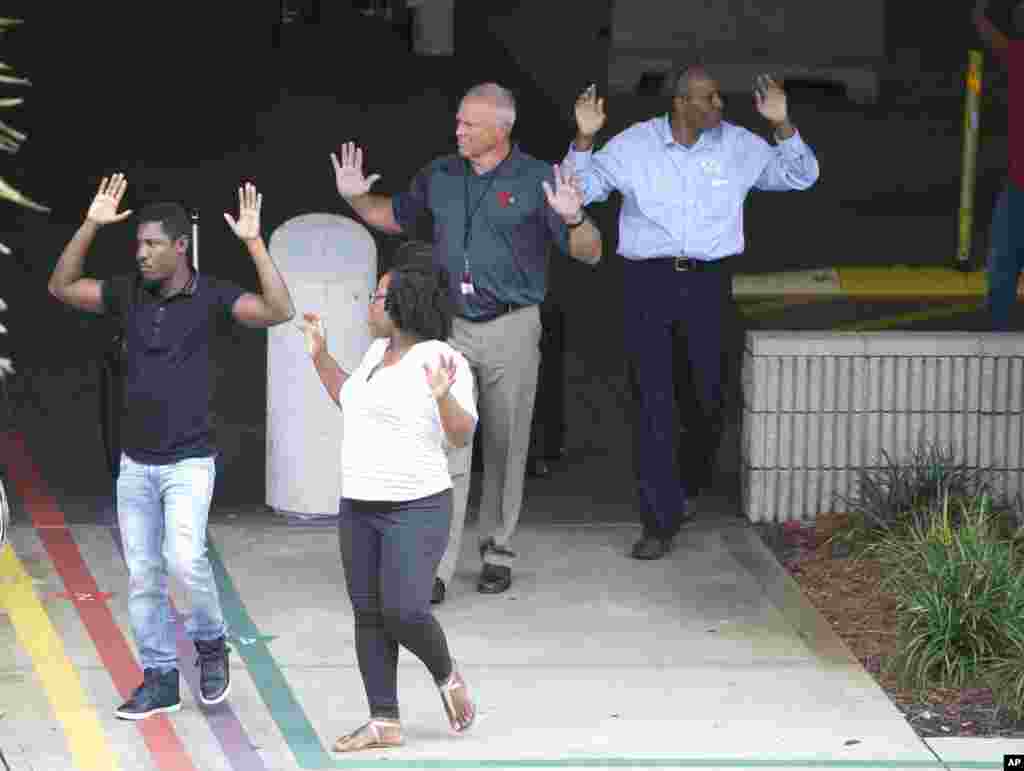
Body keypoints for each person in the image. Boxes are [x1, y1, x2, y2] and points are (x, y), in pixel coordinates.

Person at [330, 82, 602, 599]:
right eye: (458, 121)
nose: (457, 131)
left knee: (505, 443)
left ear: (501, 129)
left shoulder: (538, 179)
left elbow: (590, 252)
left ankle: (497, 550)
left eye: (469, 124)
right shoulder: (441, 174)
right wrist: (355, 197)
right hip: (450, 327)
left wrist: (575, 216)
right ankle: (436, 565)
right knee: (444, 442)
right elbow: (391, 216)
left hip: (512, 326)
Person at [47, 175, 296, 719]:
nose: (141, 253)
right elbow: (62, 287)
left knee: (185, 561)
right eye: (138, 244)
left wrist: (254, 242)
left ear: (181, 246)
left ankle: (210, 642)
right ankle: (160, 679)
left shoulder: (212, 295)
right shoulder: (126, 292)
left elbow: (279, 311)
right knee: (143, 578)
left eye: (152, 244)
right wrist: (90, 223)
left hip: (189, 461)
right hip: (136, 464)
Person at [567, 68, 820, 560]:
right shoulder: (635, 144)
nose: (720, 105)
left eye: (719, 97)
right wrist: (585, 137)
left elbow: (800, 175)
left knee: (707, 398)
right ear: (681, 103)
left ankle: (687, 486)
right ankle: (657, 520)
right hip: (648, 282)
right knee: (653, 400)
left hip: (709, 283)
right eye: (709, 98)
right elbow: (579, 189)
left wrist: (782, 123)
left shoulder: (739, 144)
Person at [300, 255, 478, 751]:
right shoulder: (377, 353)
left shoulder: (442, 358)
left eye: (378, 296)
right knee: (369, 614)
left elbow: (462, 434)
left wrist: (442, 396)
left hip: (416, 505)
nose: (371, 303)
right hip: (359, 505)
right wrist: (320, 355)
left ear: (401, 305)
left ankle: (445, 673)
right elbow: (348, 398)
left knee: (403, 610)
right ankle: (384, 719)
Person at [973, 0, 1022, 330]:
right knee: (1002, 265)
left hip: (1018, 187)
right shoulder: (1017, 55)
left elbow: (987, 31)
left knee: (1003, 264)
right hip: (1017, 186)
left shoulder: (1017, 56)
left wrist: (979, 11)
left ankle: (997, 337)